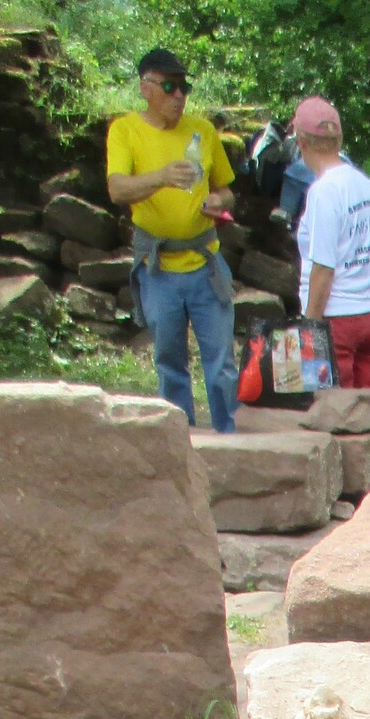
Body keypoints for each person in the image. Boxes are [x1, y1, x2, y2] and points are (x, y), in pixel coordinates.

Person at [106, 48, 239, 433]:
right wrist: (162, 177)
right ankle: (179, 440)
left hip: (205, 261)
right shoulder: (125, 131)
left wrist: (219, 202)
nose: (179, 96)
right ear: (145, 87)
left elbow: (227, 191)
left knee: (222, 361)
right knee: (169, 360)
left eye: (184, 87)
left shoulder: (204, 131)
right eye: (169, 87)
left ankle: (229, 436)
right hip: (159, 268)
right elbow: (117, 189)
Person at [291, 97, 370, 389]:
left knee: (335, 408)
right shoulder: (365, 184)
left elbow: (323, 269)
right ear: (338, 139)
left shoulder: (323, 192)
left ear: (301, 141)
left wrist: (310, 329)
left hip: (335, 320)